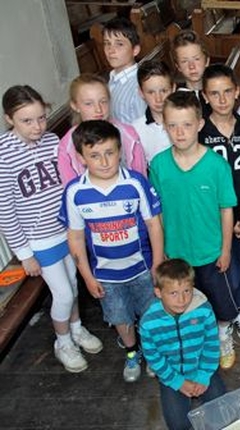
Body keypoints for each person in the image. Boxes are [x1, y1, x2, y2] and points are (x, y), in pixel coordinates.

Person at [0, 85, 102, 373]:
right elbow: (6, 211)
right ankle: (63, 342)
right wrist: (24, 253)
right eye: (27, 121)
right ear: (10, 119)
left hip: (63, 230)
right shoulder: (4, 155)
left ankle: (77, 328)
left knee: (72, 285)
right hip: (38, 240)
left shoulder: (50, 142)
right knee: (63, 294)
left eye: (41, 118)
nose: (37, 127)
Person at [60, 120, 163, 382]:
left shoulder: (136, 183)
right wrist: (86, 276)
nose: (104, 162)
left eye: (110, 153)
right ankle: (131, 353)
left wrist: (158, 262)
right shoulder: (76, 193)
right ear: (81, 158)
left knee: (151, 315)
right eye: (94, 155)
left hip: (142, 269)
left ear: (120, 152)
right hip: (105, 276)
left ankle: (152, 353)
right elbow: (75, 237)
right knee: (120, 318)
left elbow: (154, 224)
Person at [149, 91, 238, 370]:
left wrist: (225, 249)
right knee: (184, 305)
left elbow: (226, 209)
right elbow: (157, 212)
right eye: (173, 125)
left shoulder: (216, 165)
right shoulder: (160, 165)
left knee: (222, 304)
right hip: (177, 254)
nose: (180, 132)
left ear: (200, 124)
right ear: (164, 125)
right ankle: (194, 342)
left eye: (187, 124)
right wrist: (161, 249)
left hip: (211, 252)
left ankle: (223, 335)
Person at [200, 63, 240, 341]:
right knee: (223, 268)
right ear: (204, 96)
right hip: (214, 215)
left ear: (237, 91)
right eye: (214, 94)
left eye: (227, 91)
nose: (222, 99)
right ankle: (224, 311)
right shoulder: (201, 133)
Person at [140, 258, 226, 430]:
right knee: (178, 425)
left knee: (221, 415)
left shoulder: (204, 310)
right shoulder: (148, 322)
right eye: (173, 293)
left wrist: (203, 376)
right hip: (172, 374)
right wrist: (178, 382)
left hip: (202, 369)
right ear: (158, 292)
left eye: (187, 291)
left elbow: (211, 345)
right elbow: (153, 357)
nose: (182, 299)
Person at [57, 73, 147, 185]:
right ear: (75, 106)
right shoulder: (66, 145)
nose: (98, 109)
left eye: (103, 101)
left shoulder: (129, 135)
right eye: (89, 104)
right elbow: (70, 188)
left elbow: (141, 179)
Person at [102, 17, 147, 123]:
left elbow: (143, 130)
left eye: (119, 44)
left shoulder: (138, 87)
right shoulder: (112, 78)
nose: (111, 50)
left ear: (135, 50)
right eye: (107, 43)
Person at [131, 60, 175, 164]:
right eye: (151, 92)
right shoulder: (136, 129)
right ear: (141, 93)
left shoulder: (186, 120)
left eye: (163, 91)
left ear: (173, 88)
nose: (158, 99)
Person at [172, 29, 211, 117]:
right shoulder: (175, 99)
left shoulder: (217, 94)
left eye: (196, 59)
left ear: (207, 61)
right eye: (184, 61)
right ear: (178, 66)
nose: (192, 66)